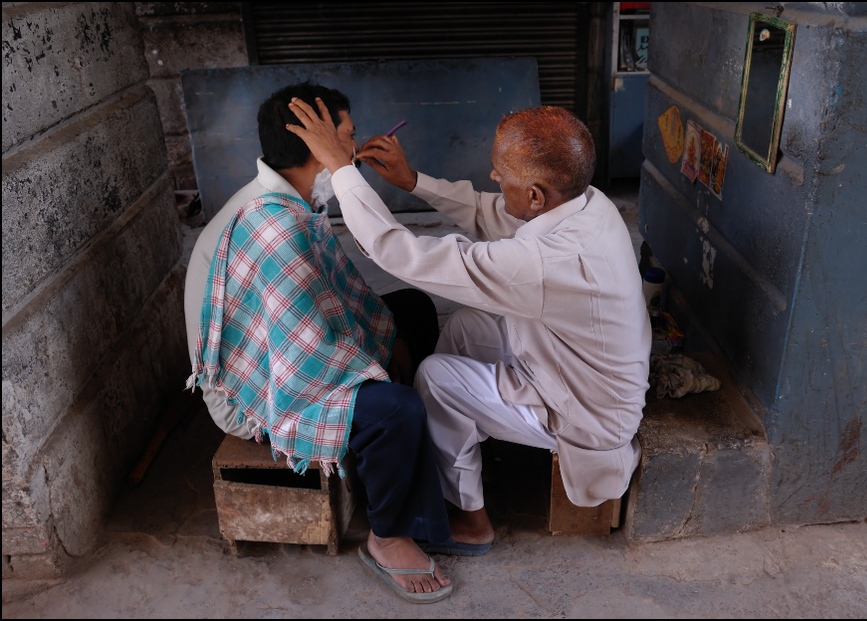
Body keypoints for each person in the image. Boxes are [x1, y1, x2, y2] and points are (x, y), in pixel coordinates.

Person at [285, 98, 651, 556]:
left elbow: (399, 253)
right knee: (463, 328)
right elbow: (497, 213)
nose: (495, 179)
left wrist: (342, 168)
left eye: (501, 174)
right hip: (578, 366)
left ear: (536, 194)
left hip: (585, 410)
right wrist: (412, 182)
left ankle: (473, 523)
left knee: (435, 379)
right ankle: (463, 451)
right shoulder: (588, 202)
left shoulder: (545, 262)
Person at [184, 81, 454, 603]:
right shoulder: (272, 224)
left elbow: (331, 302)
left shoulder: (290, 199)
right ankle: (387, 534)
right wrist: (375, 365)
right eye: (347, 137)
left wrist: (385, 337)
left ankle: (389, 456)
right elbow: (302, 355)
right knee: (396, 407)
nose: (353, 149)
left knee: (413, 311)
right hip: (253, 391)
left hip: (286, 352)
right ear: (315, 144)